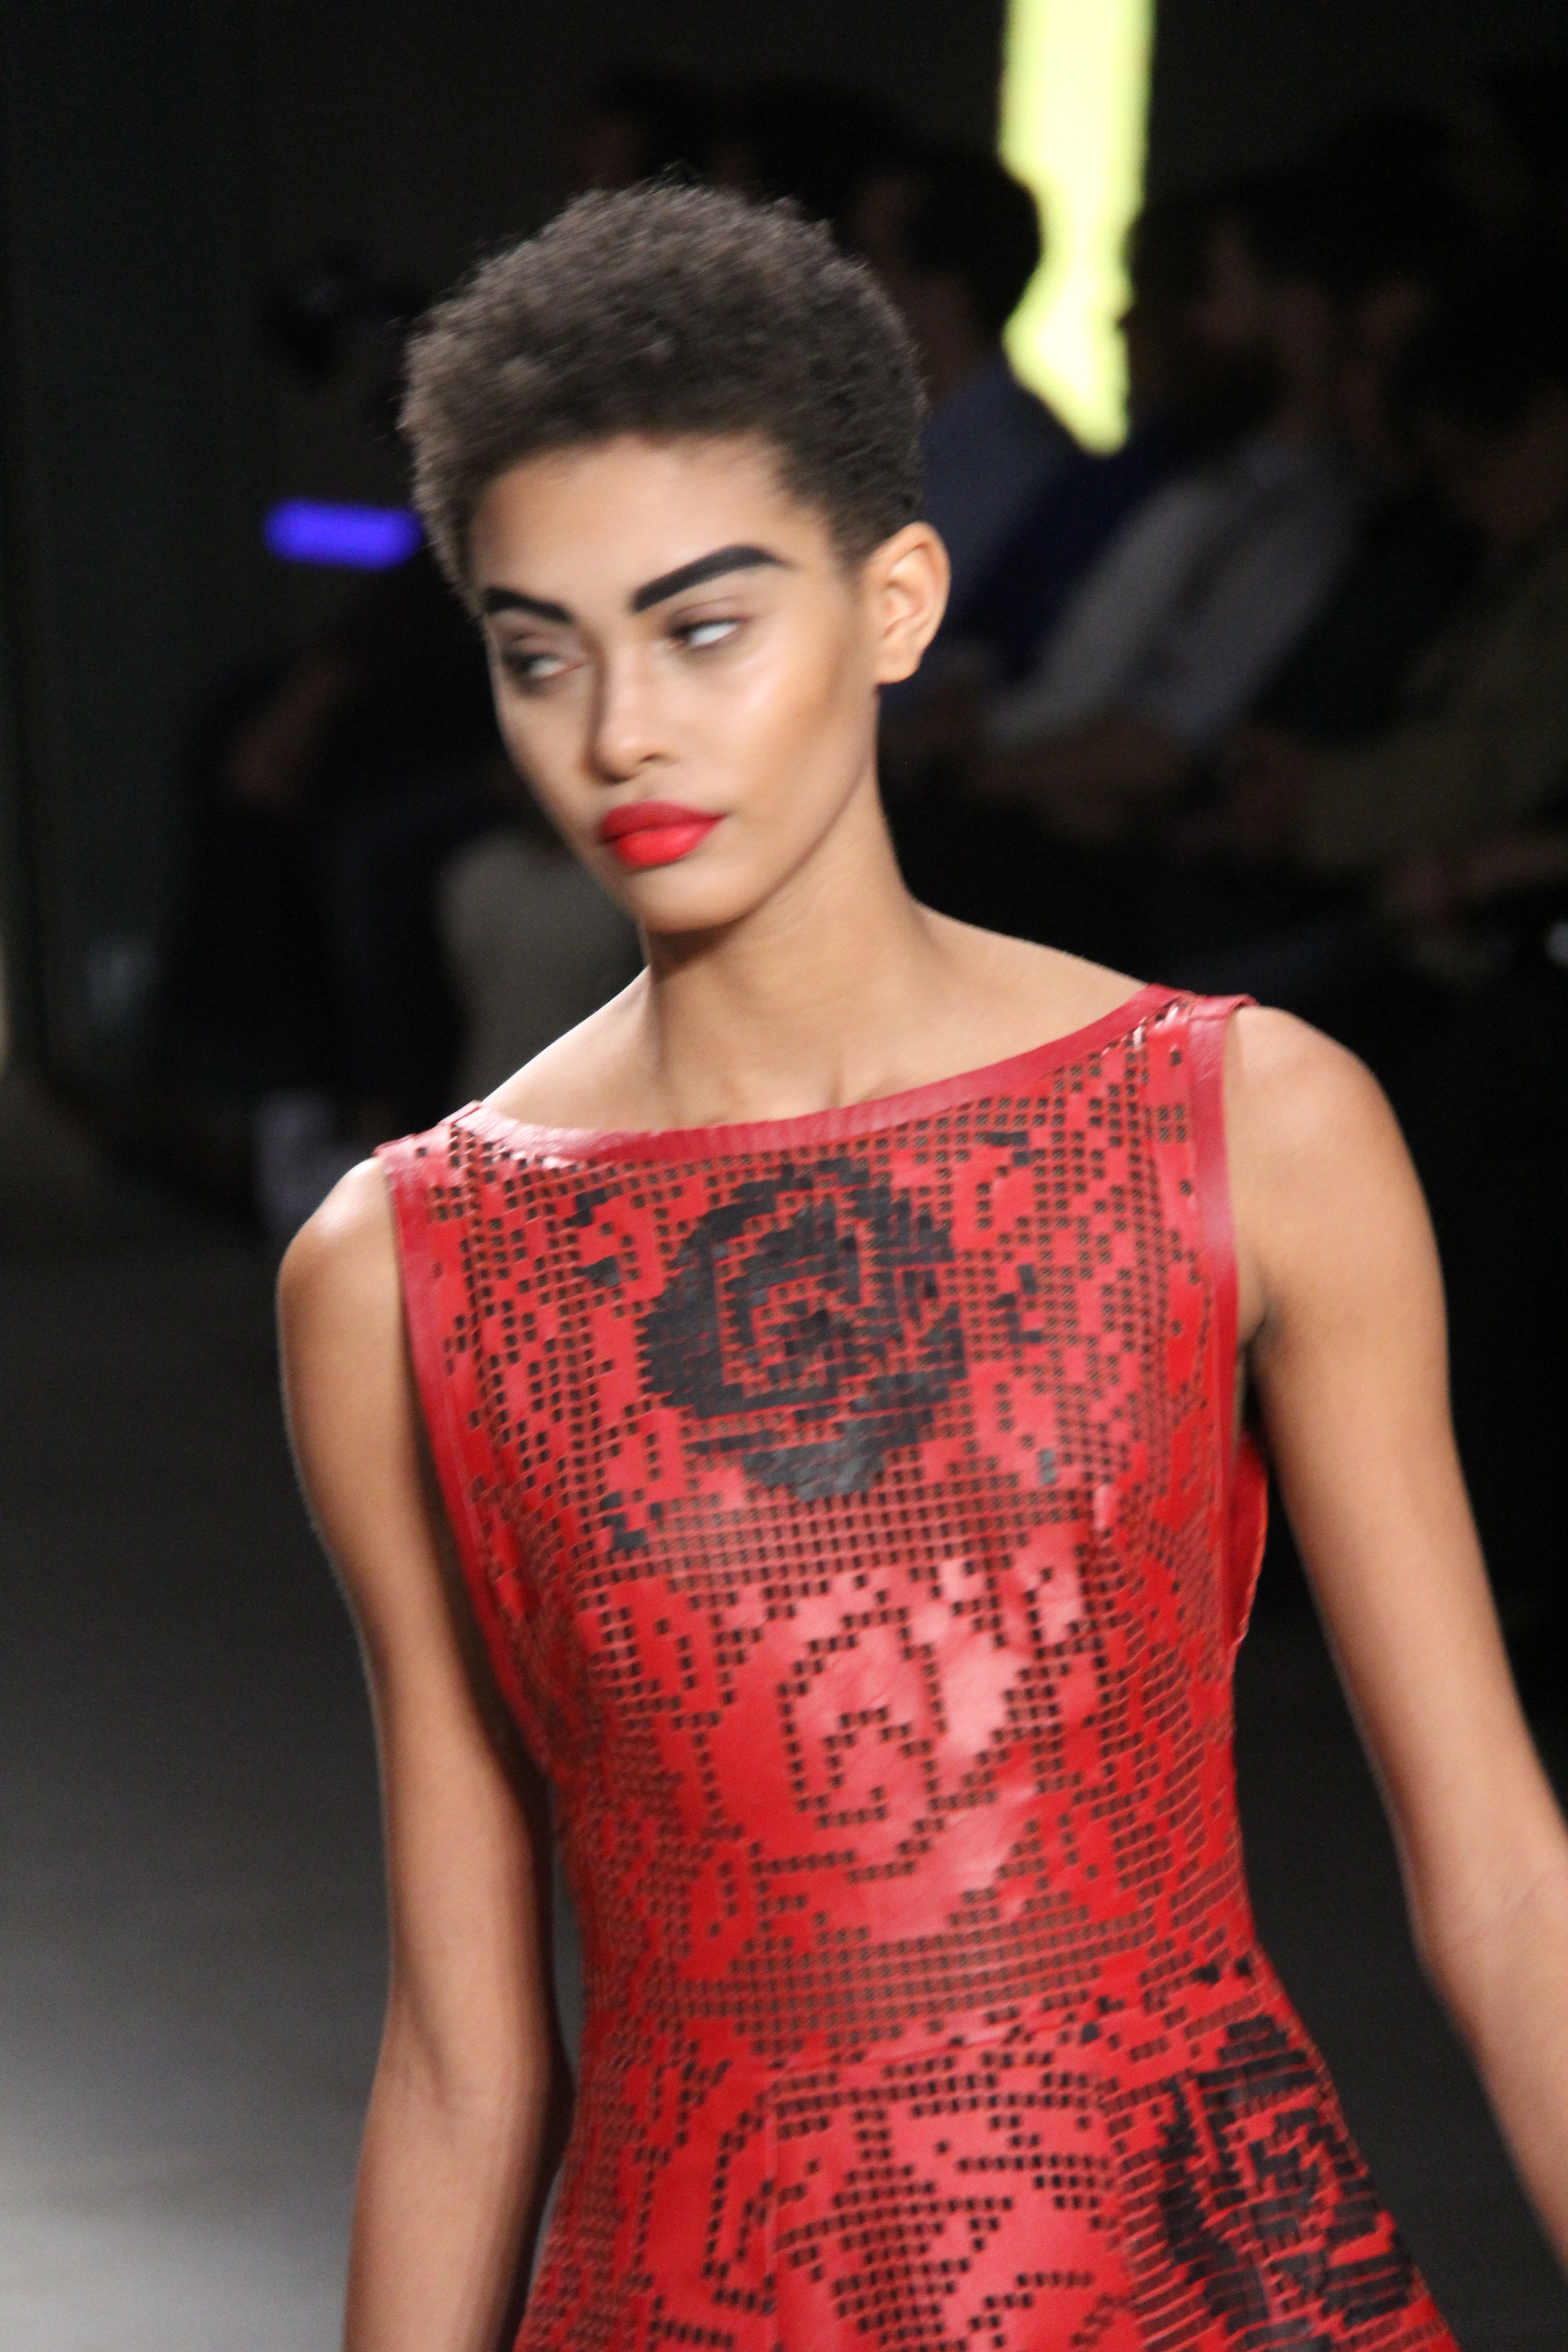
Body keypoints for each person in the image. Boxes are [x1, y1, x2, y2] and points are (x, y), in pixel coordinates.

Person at [278, 185, 1568, 2350]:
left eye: (704, 629)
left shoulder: (1247, 1125)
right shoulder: (404, 1267)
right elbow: (465, 2056)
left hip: (1198, 2281)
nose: (619, 733)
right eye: (539, 652)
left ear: (897, 603)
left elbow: (1506, 1885)